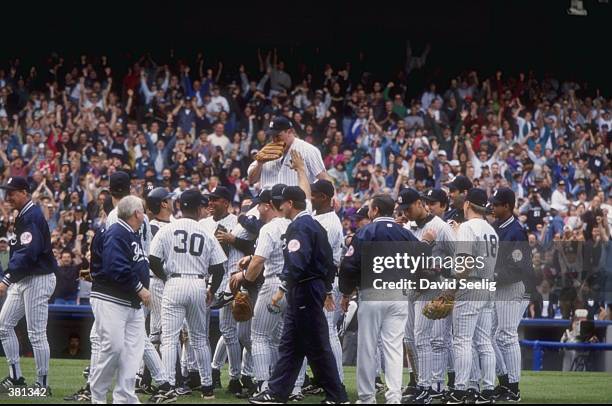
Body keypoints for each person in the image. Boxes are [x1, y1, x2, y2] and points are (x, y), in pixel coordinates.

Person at [249, 186, 348, 404]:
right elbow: (329, 263)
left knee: (317, 345)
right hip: (311, 288)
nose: (280, 206)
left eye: (282, 202)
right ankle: (277, 392)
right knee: (290, 345)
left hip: (303, 288)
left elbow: (297, 262)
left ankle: (337, 396)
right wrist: (327, 289)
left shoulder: (300, 226)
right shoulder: (314, 225)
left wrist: (281, 290)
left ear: (291, 203)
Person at [339, 193, 434, 404]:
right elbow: (423, 258)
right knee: (393, 348)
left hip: (372, 294)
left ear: (375, 210)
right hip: (399, 296)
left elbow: (349, 265)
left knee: (367, 347)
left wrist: (346, 293)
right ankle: (394, 397)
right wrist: (426, 243)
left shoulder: (366, 232)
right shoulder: (404, 233)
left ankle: (366, 398)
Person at [149, 189, 228, 401]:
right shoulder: (206, 232)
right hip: (198, 283)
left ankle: (168, 385)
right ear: (199, 208)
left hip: (174, 281)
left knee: (169, 338)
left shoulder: (168, 229)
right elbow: (219, 267)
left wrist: (166, 278)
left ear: (179, 206)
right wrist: (212, 289)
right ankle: (207, 387)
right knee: (200, 339)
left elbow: (153, 260)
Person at [88, 195, 151, 404]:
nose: (145, 214)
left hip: (130, 302)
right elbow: (116, 268)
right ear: (136, 213)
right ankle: (97, 396)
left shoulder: (129, 232)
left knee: (132, 354)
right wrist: (140, 288)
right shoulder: (117, 231)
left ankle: (125, 399)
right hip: (111, 298)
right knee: (113, 348)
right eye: (143, 210)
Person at [230, 186, 290, 396]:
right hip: (294, 285)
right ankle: (284, 386)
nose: (259, 210)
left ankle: (263, 385)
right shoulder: (293, 224)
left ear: (268, 205)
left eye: (260, 206)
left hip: (273, 283)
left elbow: (258, 264)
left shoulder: (269, 228)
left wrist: (245, 281)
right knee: (279, 338)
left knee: (260, 336)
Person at [0, 176, 58, 395]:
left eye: (12, 192)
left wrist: (6, 279)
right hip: (25, 277)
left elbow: (28, 253)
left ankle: (42, 385)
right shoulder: (23, 215)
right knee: (4, 325)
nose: (8, 196)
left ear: (25, 192)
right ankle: (16, 378)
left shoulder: (31, 216)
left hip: (38, 278)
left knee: (36, 334)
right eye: (7, 191)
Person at [398, 188, 455, 403]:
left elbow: (458, 257)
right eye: (403, 208)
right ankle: (419, 381)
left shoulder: (440, 227)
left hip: (430, 289)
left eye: (409, 207)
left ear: (420, 203)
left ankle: (428, 387)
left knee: (423, 338)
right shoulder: (406, 227)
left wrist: (448, 283)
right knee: (409, 339)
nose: (406, 212)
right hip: (410, 287)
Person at [446, 188, 498, 404]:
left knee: (462, 341)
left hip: (470, 286)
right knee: (484, 342)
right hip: (487, 286)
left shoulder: (468, 227)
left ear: (467, 204)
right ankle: (487, 390)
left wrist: (452, 287)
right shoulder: (491, 229)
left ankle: (459, 390)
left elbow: (465, 262)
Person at [489, 187, 533, 402]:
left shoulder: (516, 230)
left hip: (514, 286)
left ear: (507, 206)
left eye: (496, 204)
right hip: (499, 287)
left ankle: (513, 388)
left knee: (506, 335)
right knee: (488, 335)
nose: (493, 207)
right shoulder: (496, 226)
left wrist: (492, 276)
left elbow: (517, 267)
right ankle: (505, 381)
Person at [247, 116, 329, 189]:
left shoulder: (308, 150)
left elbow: (324, 177)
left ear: (289, 132)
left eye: (278, 136)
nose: (274, 139)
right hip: (267, 202)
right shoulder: (266, 151)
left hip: (295, 202)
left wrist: (334, 195)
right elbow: (251, 180)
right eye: (272, 136)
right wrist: (259, 163)